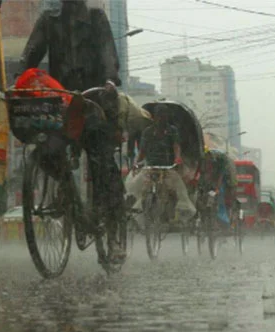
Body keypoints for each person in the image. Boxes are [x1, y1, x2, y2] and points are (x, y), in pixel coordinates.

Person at [19, 0, 126, 262]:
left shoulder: (96, 18)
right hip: (60, 104)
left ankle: (113, 233)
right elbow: (30, 54)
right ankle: (67, 195)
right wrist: (19, 77)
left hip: (94, 102)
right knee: (46, 149)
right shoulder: (48, 20)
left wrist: (110, 80)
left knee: (102, 162)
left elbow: (108, 55)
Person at [127, 104, 196, 223]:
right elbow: (142, 151)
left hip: (168, 167)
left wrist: (177, 158)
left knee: (177, 187)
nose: (161, 119)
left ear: (166, 117)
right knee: (136, 185)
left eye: (163, 116)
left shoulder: (172, 130)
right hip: (151, 167)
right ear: (154, 117)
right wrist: (136, 163)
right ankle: (137, 209)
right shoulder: (148, 132)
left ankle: (181, 210)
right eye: (159, 116)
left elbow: (176, 146)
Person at [198, 149, 237, 227]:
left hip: (226, 172)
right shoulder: (204, 161)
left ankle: (224, 219)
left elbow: (220, 176)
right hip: (214, 175)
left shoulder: (222, 161)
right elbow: (203, 175)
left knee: (220, 193)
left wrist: (217, 189)